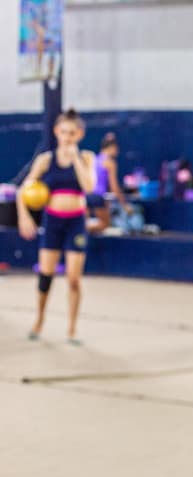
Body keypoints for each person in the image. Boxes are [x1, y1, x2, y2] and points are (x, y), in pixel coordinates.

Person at [17, 108, 97, 344]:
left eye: (72, 133)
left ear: (79, 134)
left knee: (74, 278)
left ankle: (72, 329)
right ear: (56, 132)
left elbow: (89, 187)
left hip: (75, 221)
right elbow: (24, 188)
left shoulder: (86, 158)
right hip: (53, 221)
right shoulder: (45, 160)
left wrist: (75, 159)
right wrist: (25, 216)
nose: (67, 137)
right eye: (64, 132)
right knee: (46, 275)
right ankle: (39, 319)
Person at [89, 132, 137, 234]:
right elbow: (114, 187)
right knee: (105, 224)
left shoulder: (94, 159)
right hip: (98, 197)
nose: (118, 151)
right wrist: (124, 205)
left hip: (87, 195)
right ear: (111, 147)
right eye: (116, 148)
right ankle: (75, 230)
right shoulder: (110, 162)